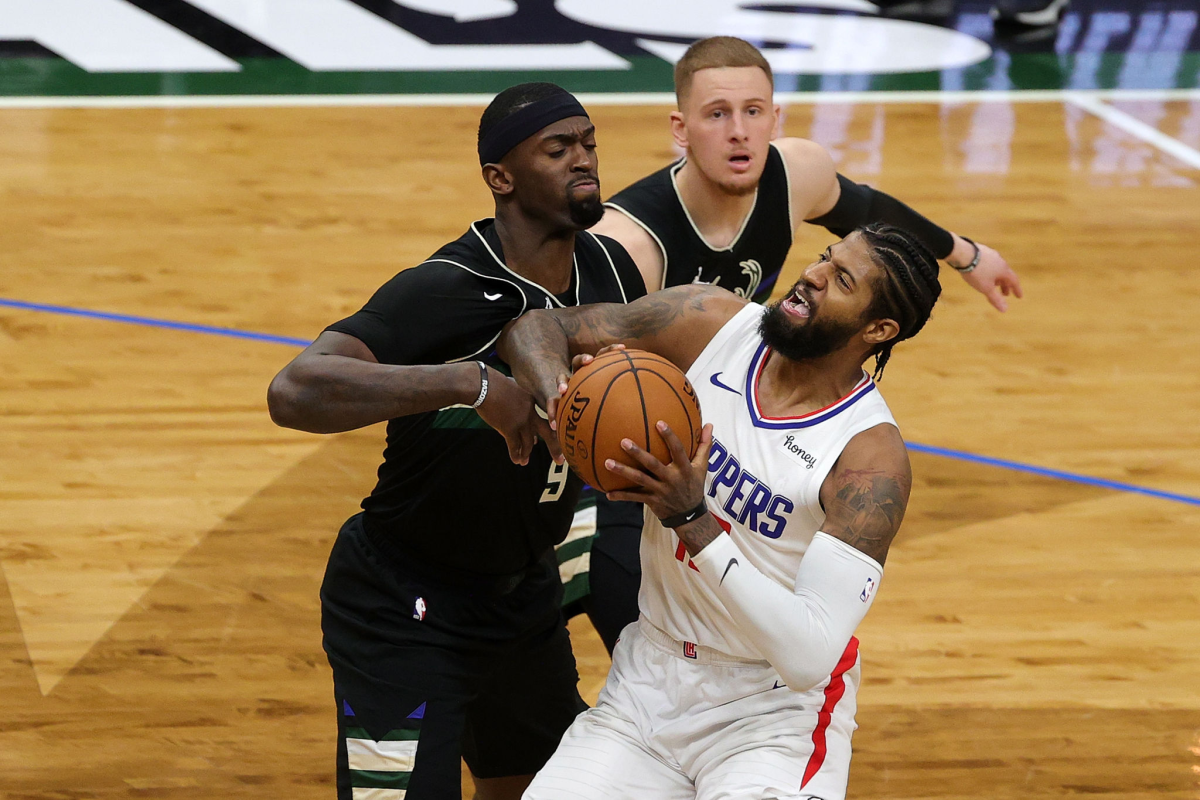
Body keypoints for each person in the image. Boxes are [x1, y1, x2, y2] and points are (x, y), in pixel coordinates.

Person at [570, 35, 1022, 654]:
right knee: (635, 624)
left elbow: (867, 214)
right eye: (717, 114)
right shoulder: (633, 242)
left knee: (750, 623)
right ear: (681, 127)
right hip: (646, 444)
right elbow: (584, 356)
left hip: (734, 439)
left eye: (754, 112)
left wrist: (964, 254)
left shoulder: (796, 173)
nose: (739, 133)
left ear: (775, 118)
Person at [266, 83, 645, 800]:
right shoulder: (449, 286)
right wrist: (466, 383)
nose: (584, 160)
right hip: (400, 605)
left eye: (589, 142)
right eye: (558, 148)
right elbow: (295, 390)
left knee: (534, 788)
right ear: (500, 178)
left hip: (520, 598)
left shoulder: (611, 272)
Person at [498, 223, 939, 800]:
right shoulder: (707, 321)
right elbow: (536, 327)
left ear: (878, 329)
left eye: (842, 280)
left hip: (772, 715)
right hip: (648, 681)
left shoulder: (869, 460)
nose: (812, 275)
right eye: (825, 258)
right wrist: (565, 403)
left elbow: (808, 653)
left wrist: (692, 518)